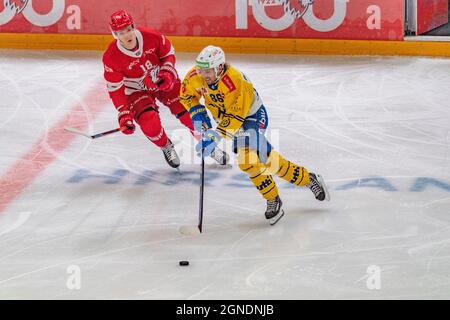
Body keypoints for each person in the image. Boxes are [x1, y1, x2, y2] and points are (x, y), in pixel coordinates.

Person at [179, 45, 330, 225]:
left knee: (248, 160)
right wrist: (198, 113)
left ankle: (277, 196)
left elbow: (235, 118)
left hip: (250, 116)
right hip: (228, 120)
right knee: (266, 160)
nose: (203, 75)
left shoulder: (235, 81)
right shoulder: (196, 75)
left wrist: (214, 137)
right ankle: (306, 179)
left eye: (207, 71)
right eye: (200, 70)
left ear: (219, 67)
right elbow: (187, 96)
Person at [102, 10, 228, 168]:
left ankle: (208, 145)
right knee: (150, 125)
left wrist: (167, 73)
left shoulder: (150, 36)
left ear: (133, 26)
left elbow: (168, 53)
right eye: (121, 32)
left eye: (128, 29)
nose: (126, 35)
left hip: (161, 80)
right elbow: (115, 89)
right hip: (136, 90)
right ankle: (166, 146)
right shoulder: (111, 56)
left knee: (189, 113)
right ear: (115, 34)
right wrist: (124, 113)